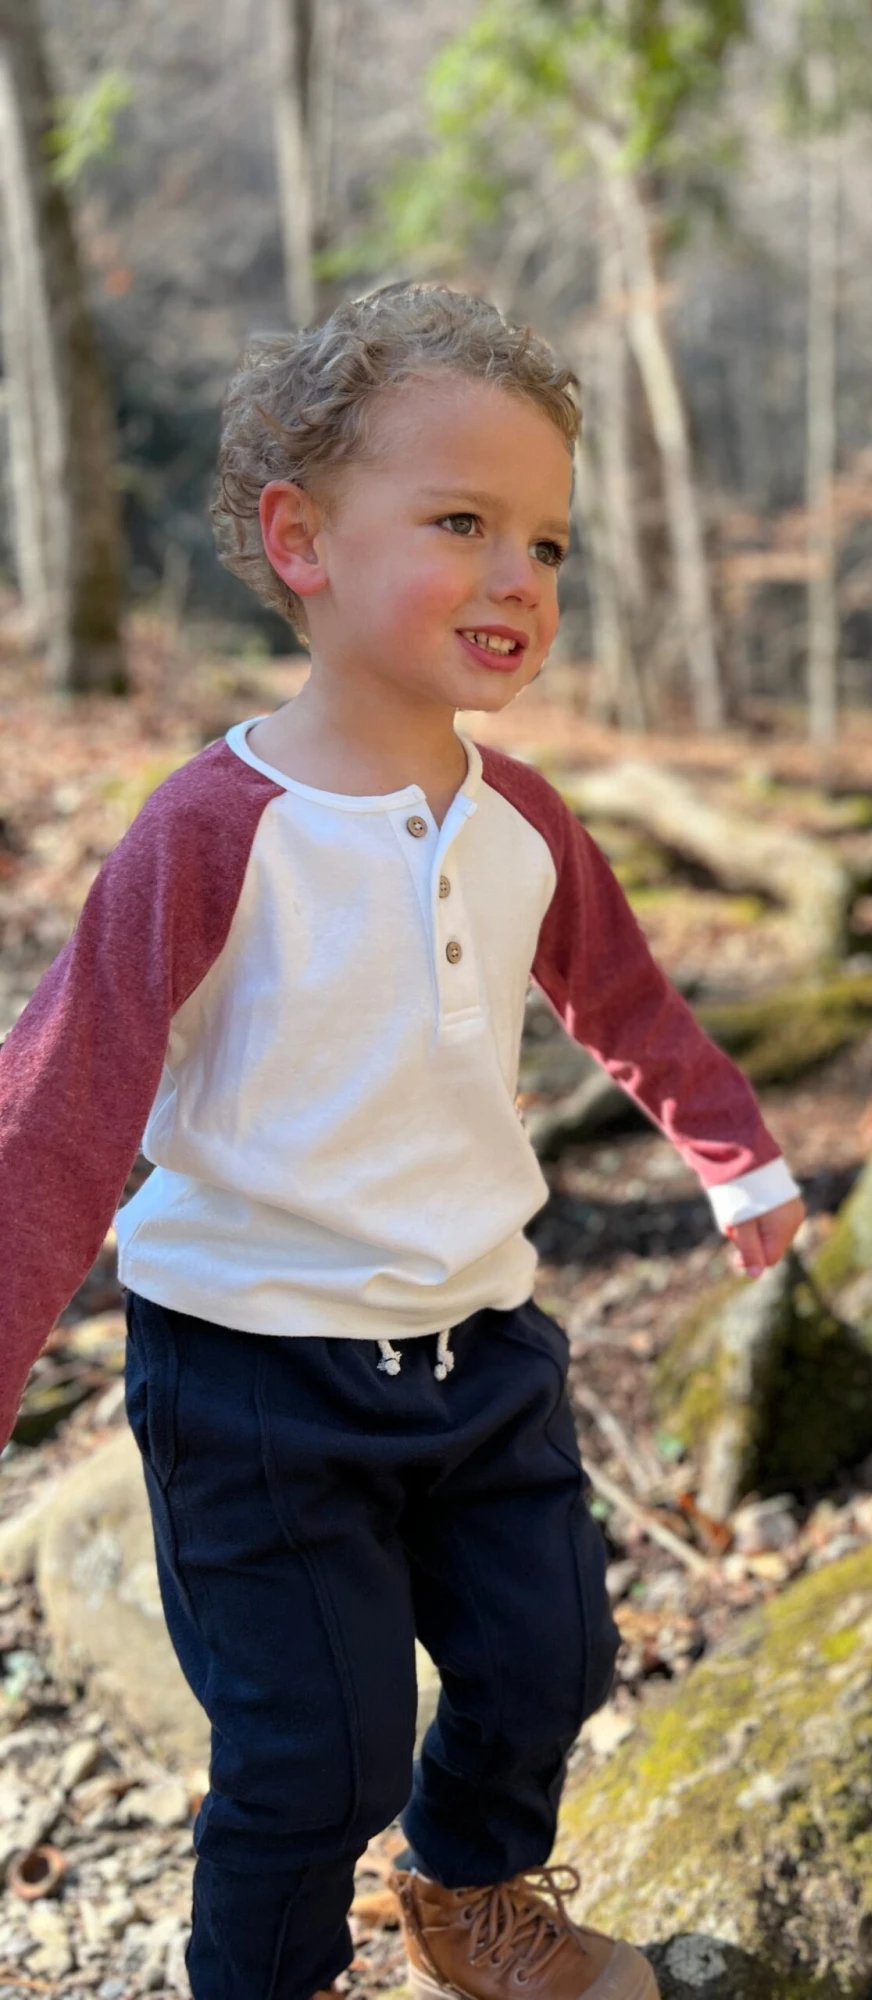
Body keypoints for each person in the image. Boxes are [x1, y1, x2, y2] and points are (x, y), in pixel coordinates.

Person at [0, 282, 804, 2000]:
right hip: (253, 1373)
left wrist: (731, 1151)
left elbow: (626, 1001)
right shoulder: (217, 832)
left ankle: (475, 1905)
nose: (521, 577)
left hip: (481, 1342)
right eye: (463, 523)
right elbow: (61, 1105)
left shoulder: (519, 820)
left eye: (549, 543)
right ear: (299, 539)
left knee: (552, 1655)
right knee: (315, 1759)